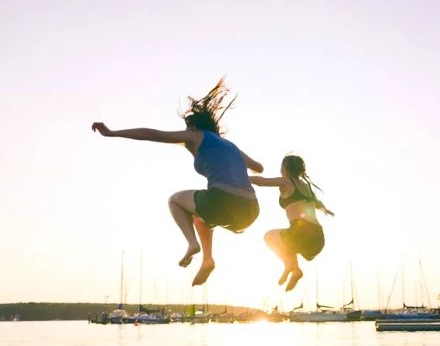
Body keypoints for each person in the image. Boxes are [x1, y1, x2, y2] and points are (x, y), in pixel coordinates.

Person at [92, 78, 263, 286]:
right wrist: (237, 166)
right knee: (199, 216)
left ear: (191, 127)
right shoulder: (230, 145)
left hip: (223, 201)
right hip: (251, 210)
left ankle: (192, 244)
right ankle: (207, 260)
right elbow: (259, 167)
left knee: (175, 200)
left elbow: (152, 134)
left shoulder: (196, 136)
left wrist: (112, 133)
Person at [250, 154, 333, 291]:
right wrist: (325, 209)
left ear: (285, 168)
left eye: (282, 166)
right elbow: (317, 203)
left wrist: (240, 178)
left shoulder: (286, 182)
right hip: (318, 239)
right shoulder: (306, 186)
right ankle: (294, 269)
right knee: (288, 242)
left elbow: (262, 181)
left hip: (302, 233)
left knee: (269, 236)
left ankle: (292, 267)